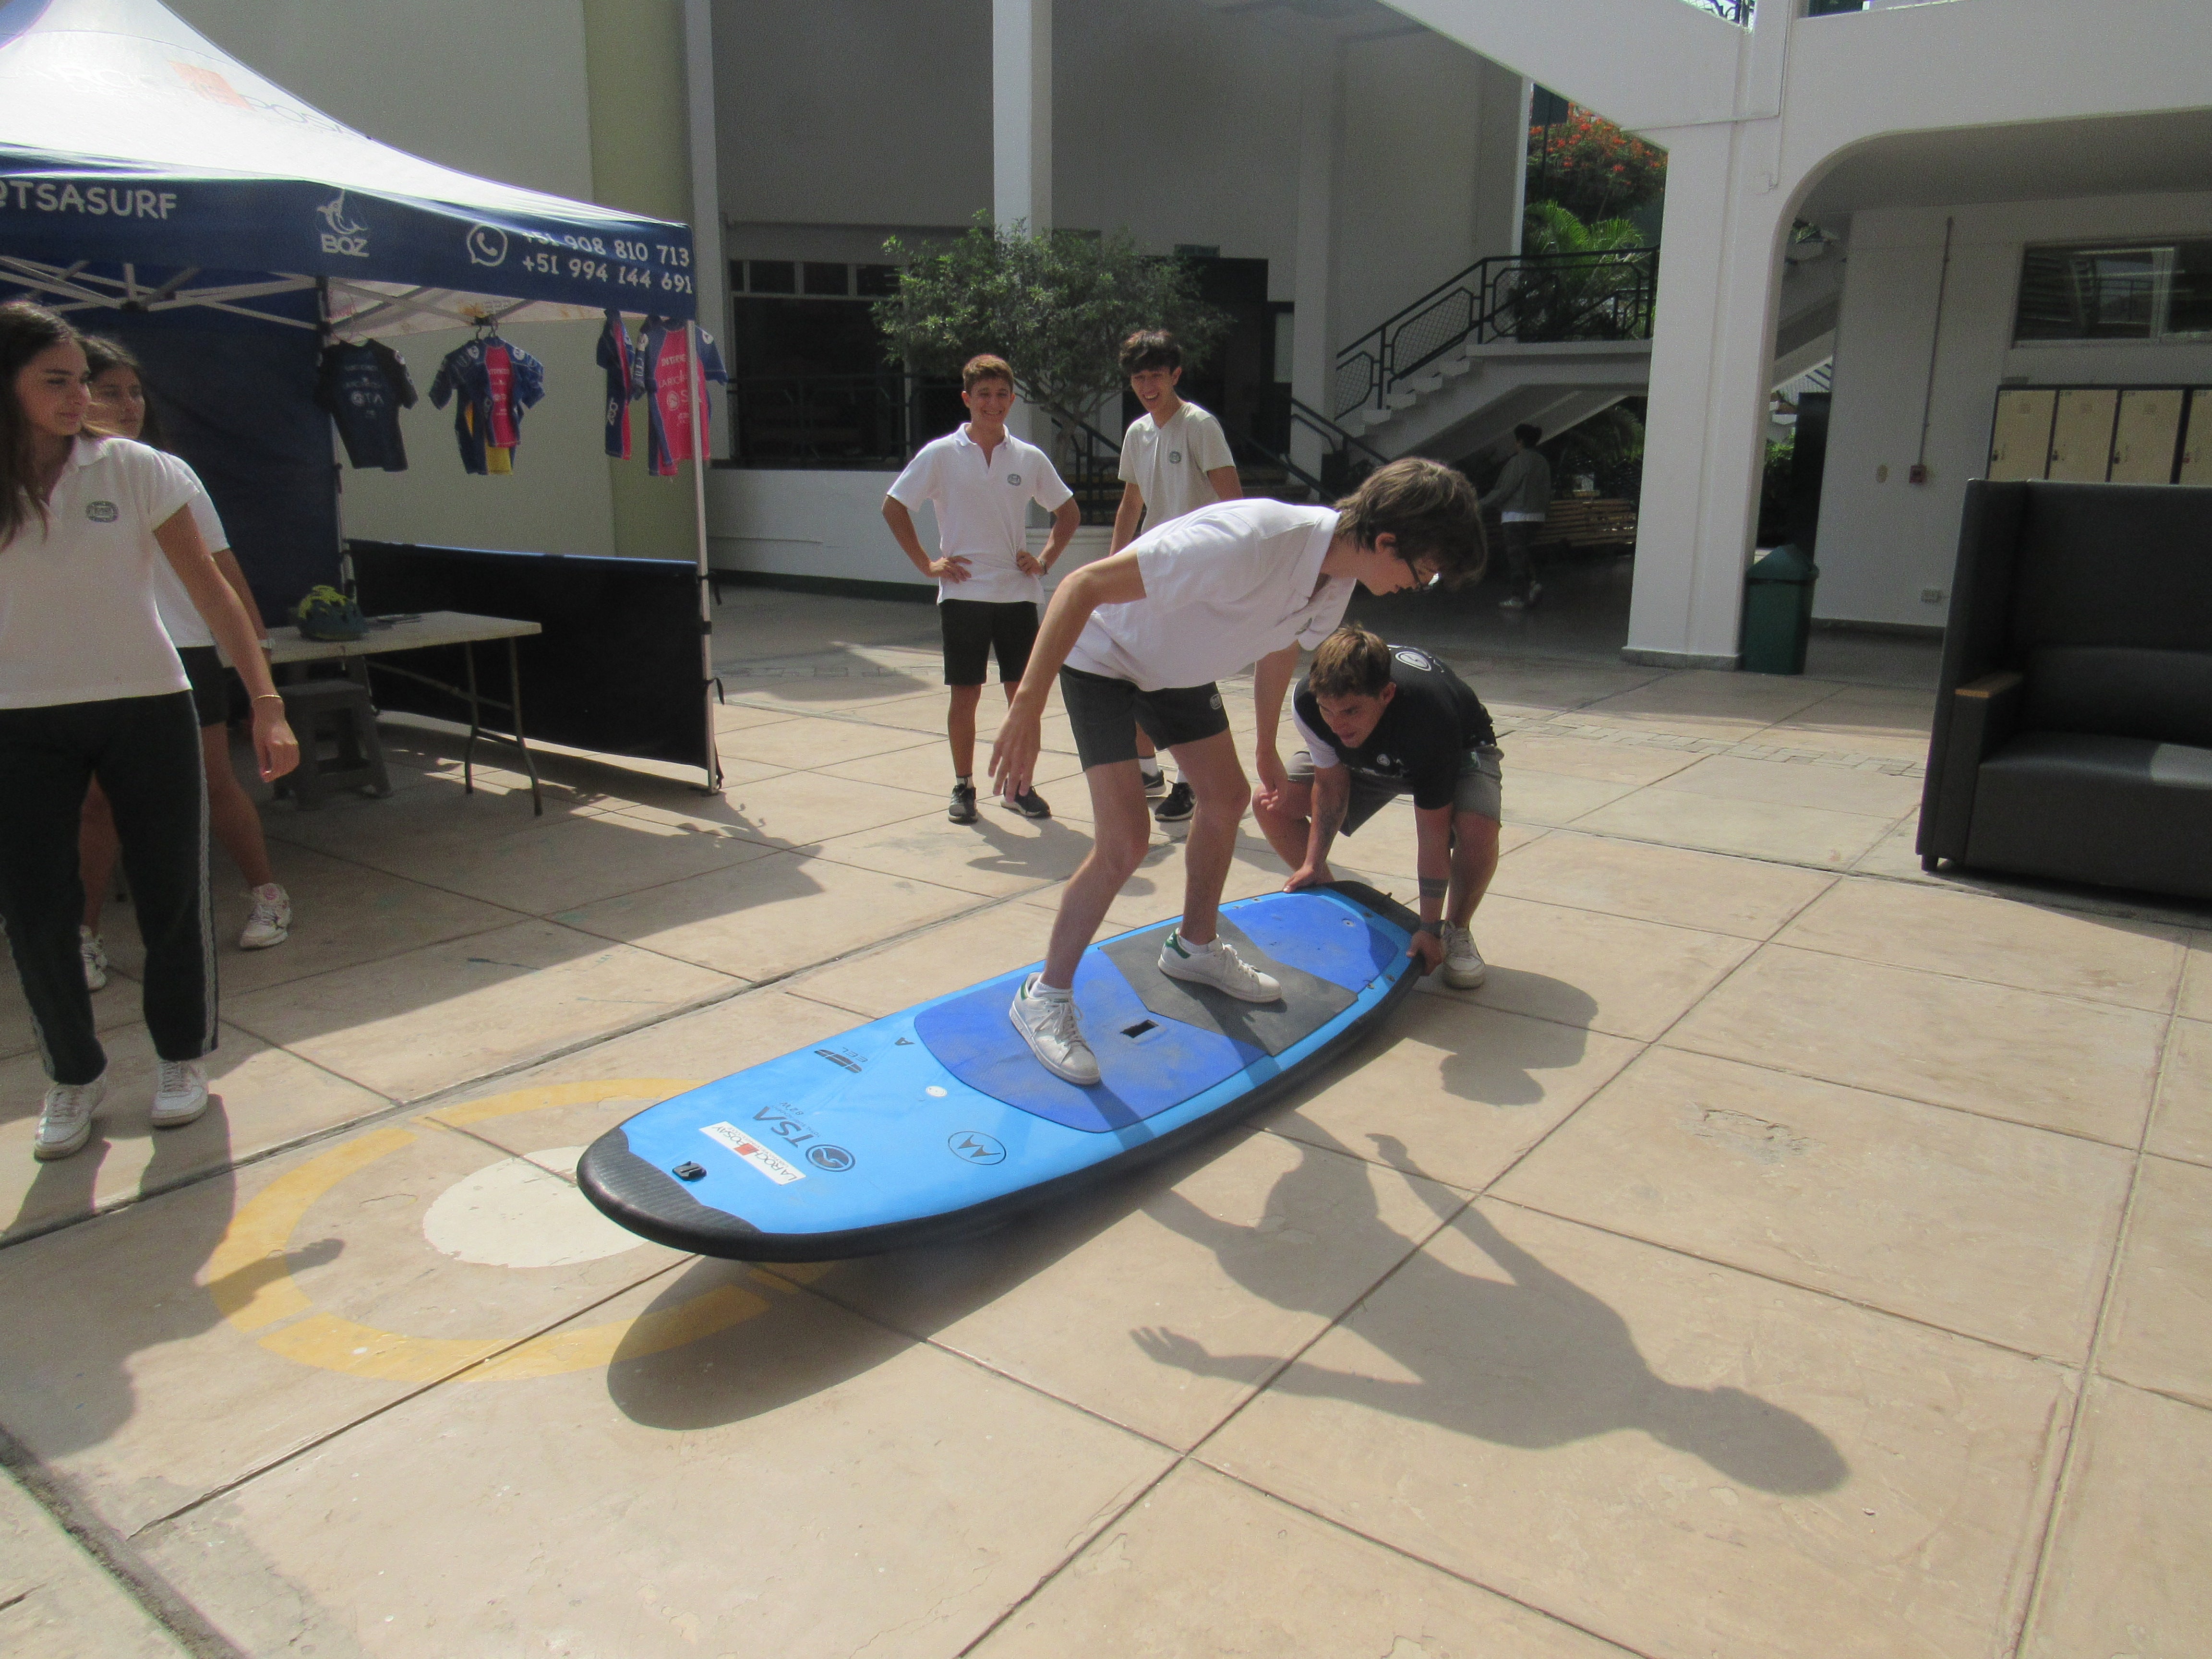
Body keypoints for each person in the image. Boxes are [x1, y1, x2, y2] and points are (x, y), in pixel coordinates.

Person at [990, 457, 1487, 1086]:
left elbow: (1278, 647)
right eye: (1422, 572)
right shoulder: (1250, 543)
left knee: (1226, 799)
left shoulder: (1333, 582)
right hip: (1105, 658)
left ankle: (1194, 949)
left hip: (1175, 671)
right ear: (1387, 542)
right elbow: (1081, 586)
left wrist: (1264, 746)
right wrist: (1027, 708)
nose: (1417, 587)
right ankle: (1046, 996)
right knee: (1127, 842)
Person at [0, 302, 300, 1161]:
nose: (77, 396)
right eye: (54, 381)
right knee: (36, 909)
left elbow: (212, 592)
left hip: (148, 703)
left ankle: (180, 1060)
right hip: (18, 718)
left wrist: (265, 700)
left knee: (172, 893)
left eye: (80, 381)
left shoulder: (136, 469)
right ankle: (72, 1074)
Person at [74, 336, 292, 994]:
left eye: (134, 391)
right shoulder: (49, 478)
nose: (127, 403)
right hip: (99, 660)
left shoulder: (167, 471)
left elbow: (220, 568)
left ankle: (268, 895)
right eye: (109, 390)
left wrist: (261, 671)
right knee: (98, 806)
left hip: (185, 652)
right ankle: (83, 936)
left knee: (214, 784)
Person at [883, 354, 1081, 824]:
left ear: (1012, 399)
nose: (993, 404)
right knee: (965, 696)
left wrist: (1045, 559)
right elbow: (894, 506)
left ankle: (1019, 787)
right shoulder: (940, 454)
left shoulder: (1028, 458)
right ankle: (964, 785)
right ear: (967, 399)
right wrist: (928, 564)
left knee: (1023, 698)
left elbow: (1067, 514)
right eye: (984, 395)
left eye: (1001, 395)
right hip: (964, 595)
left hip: (1017, 594)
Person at [1253, 625, 1501, 989]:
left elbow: (1432, 833)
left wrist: (1429, 927)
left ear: (1386, 694)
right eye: (1329, 711)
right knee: (1270, 803)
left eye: (1351, 711)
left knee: (1478, 827)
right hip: (1370, 757)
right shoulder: (1308, 701)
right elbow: (1331, 784)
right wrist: (1313, 861)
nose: (1338, 724)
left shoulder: (1428, 715)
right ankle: (1337, 899)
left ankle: (1456, 931)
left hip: (1458, 748)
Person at [1110, 329, 1242, 836]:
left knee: (1187, 675)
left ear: (1175, 376)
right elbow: (1131, 504)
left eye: (1156, 376)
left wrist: (1228, 566)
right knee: (1141, 667)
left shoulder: (1199, 426)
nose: (1147, 385)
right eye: (1139, 377)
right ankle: (1148, 772)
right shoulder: (1138, 433)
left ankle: (1192, 782)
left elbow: (1233, 503)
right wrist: (1112, 568)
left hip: (1198, 571)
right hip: (1152, 568)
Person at [1480, 422, 1551, 611]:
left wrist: (1480, 504)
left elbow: (1504, 490)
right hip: (1537, 516)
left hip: (1515, 516)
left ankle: (1518, 596)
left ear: (1520, 441)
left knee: (1515, 557)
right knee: (1523, 552)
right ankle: (1533, 585)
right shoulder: (1542, 463)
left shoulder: (1517, 462)